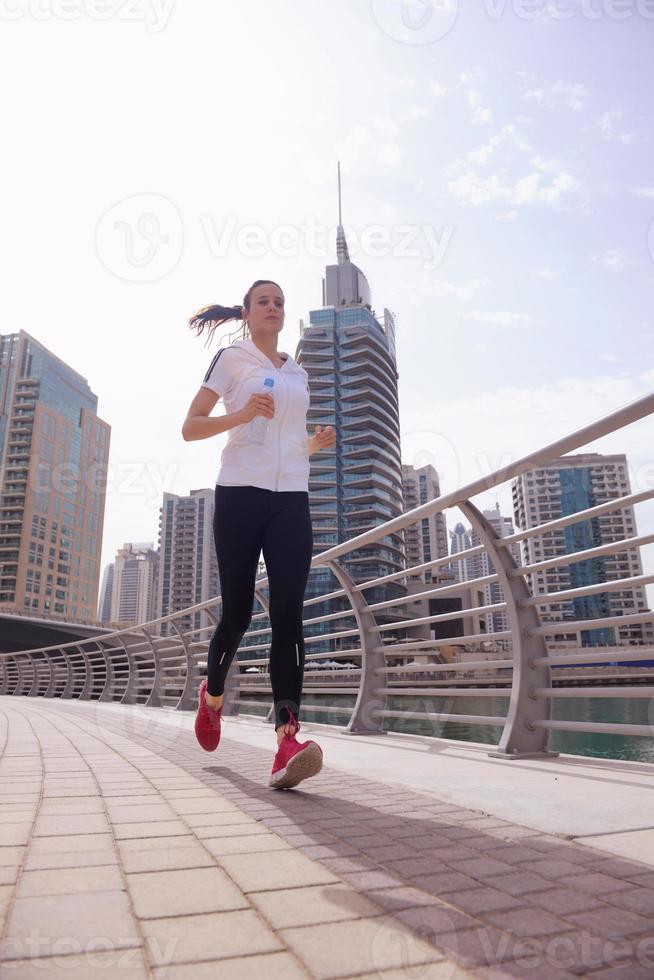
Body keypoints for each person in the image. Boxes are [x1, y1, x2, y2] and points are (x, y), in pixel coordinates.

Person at [182, 279, 336, 790]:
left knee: (290, 610)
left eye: (279, 303)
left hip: (291, 497)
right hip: (240, 495)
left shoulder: (297, 373)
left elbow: (288, 446)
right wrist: (244, 412)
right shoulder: (232, 359)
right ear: (247, 313)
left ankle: (287, 738)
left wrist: (313, 445)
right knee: (239, 612)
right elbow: (191, 426)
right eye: (264, 302)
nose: (274, 308)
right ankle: (213, 697)